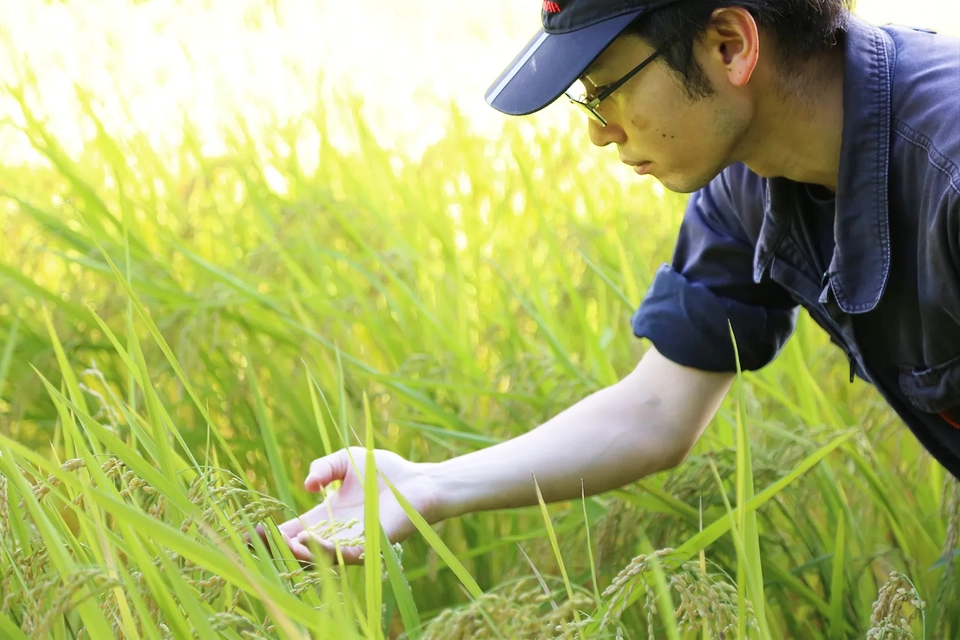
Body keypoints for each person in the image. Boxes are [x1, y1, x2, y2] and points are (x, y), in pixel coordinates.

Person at [264, 0, 960, 564]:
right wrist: (425, 486)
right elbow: (656, 410)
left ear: (729, 45)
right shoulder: (750, 183)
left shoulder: (948, 169)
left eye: (606, 90)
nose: (599, 132)